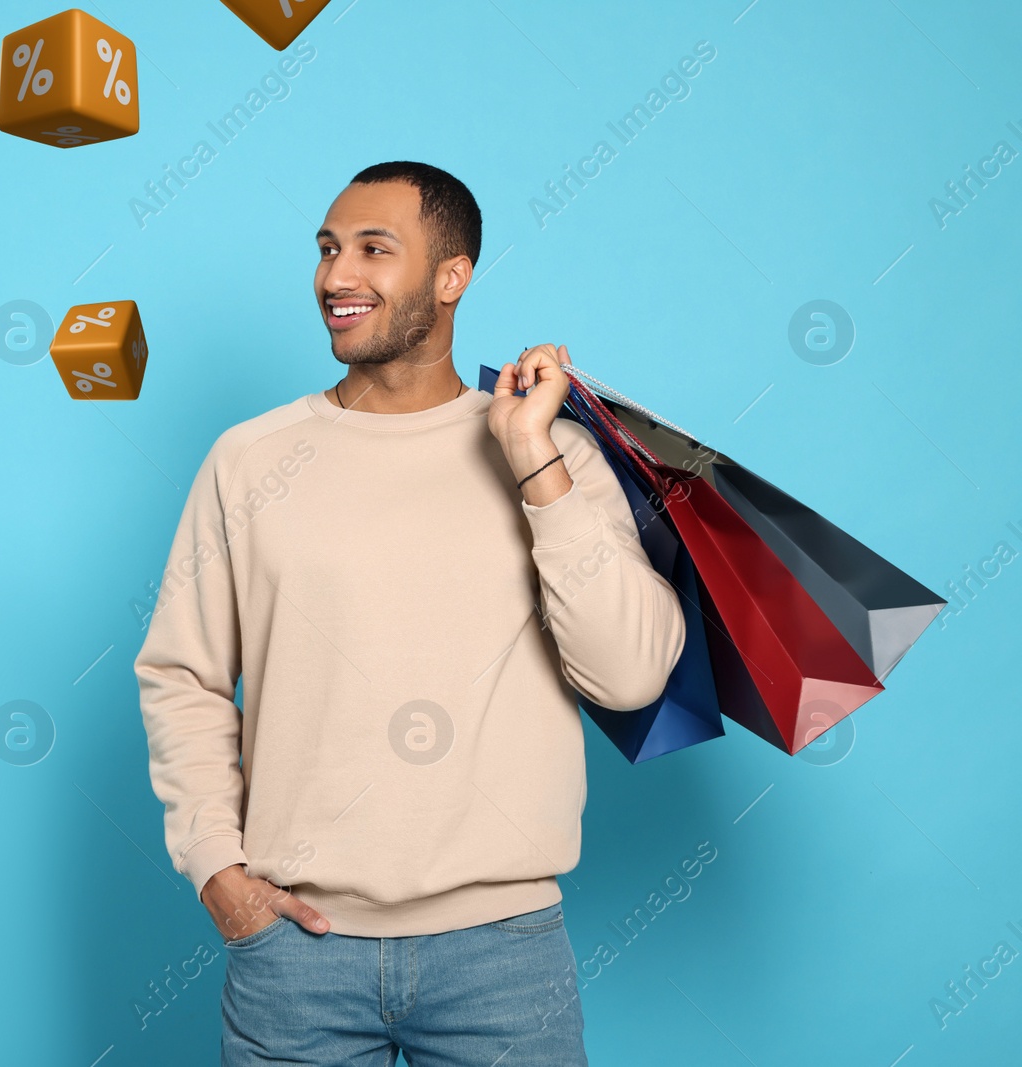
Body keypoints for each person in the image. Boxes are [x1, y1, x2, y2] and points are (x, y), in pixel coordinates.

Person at [134, 160, 686, 1065]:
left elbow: (628, 674)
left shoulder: (551, 453)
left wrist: (532, 461)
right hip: (291, 959)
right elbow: (181, 674)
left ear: (451, 274)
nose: (335, 277)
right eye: (326, 250)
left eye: (373, 249)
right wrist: (218, 873)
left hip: (503, 955)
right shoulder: (249, 459)